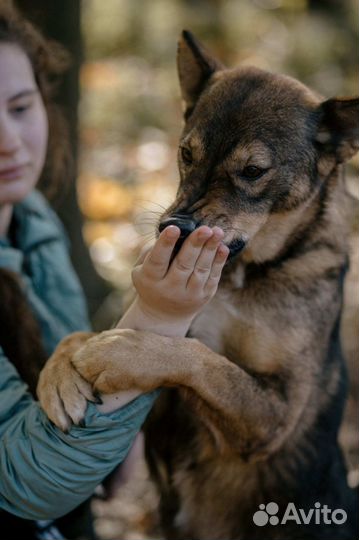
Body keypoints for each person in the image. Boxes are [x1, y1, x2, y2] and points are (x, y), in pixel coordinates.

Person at [0, 4, 229, 539]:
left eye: (19, 106)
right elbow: (25, 480)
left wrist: (117, 427)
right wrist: (156, 317)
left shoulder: (34, 222)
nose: (8, 141)